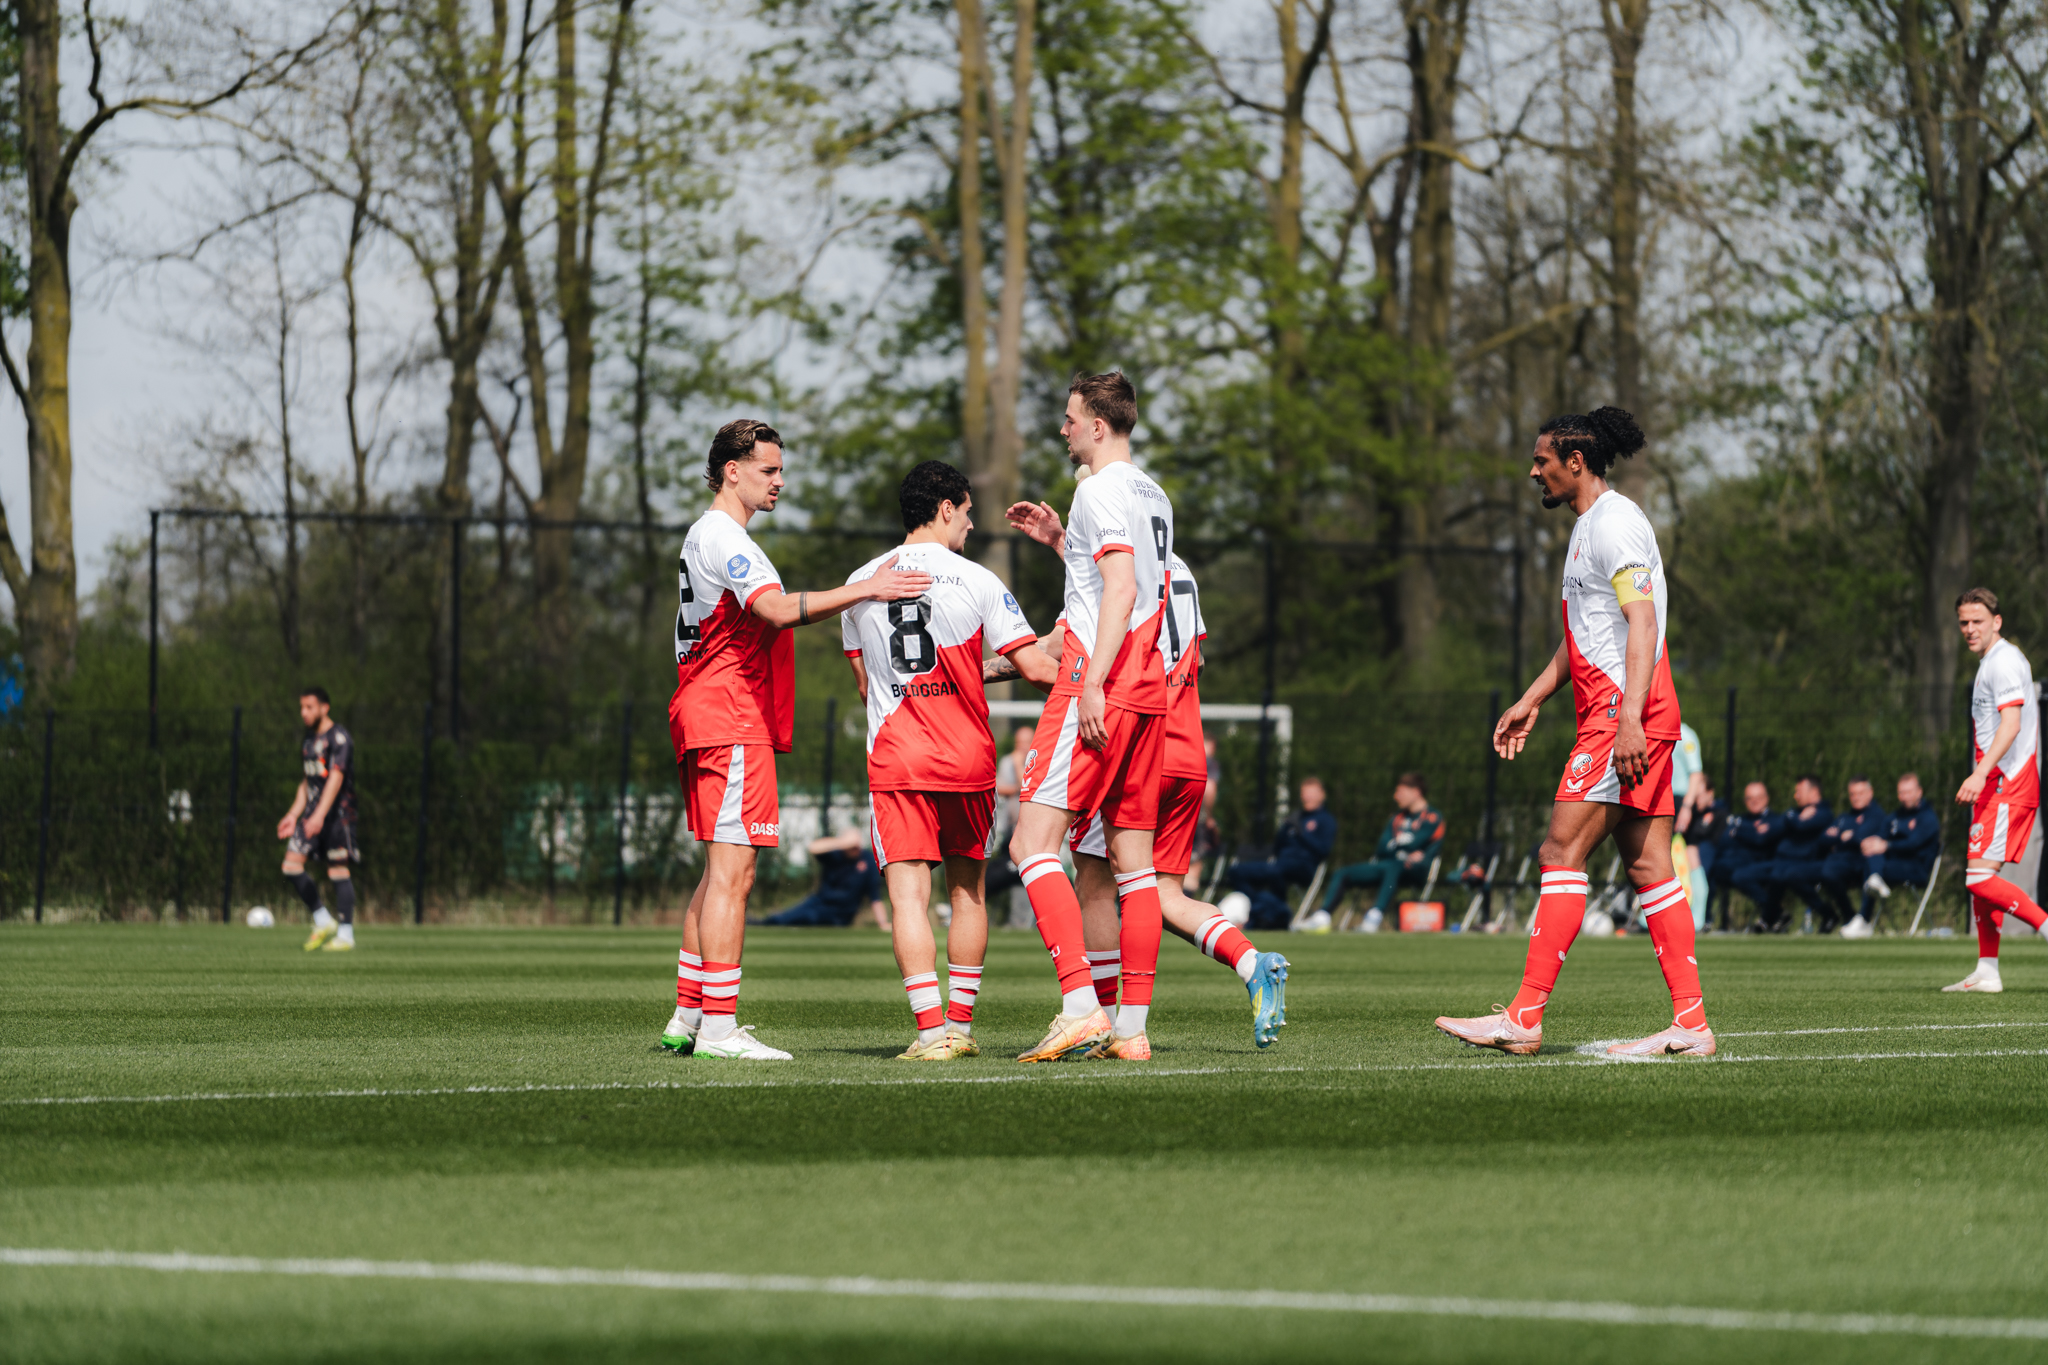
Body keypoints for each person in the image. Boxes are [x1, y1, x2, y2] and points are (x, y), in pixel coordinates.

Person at [1435, 407, 1712, 1058]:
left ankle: (1524, 1016)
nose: (1534, 472)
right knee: (1650, 865)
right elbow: (1585, 635)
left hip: (1623, 713)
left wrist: (1628, 721)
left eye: (1542, 461)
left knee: (1561, 850)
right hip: (1630, 711)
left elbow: (1640, 625)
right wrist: (1532, 698)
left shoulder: (1613, 526)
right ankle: (1692, 1023)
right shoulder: (1591, 526)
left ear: (1576, 462)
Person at [660, 420, 933, 1062]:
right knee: (735, 873)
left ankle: (688, 1015)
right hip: (729, 715)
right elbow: (777, 610)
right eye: (768, 470)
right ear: (732, 469)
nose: (779, 481)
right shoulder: (725, 536)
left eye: (780, 470)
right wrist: (868, 587)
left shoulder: (712, 534)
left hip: (714, 712)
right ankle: (721, 1031)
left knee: (718, 872)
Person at [996, 541, 1291, 1050]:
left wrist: (975, 671)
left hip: (1132, 736)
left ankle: (1108, 1020)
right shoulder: (1181, 571)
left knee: (1094, 882)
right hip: (1187, 751)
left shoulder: (1114, 575)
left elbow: (1063, 645)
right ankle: (1249, 962)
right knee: (1160, 894)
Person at [843, 460, 1057, 1059]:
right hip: (968, 760)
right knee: (969, 893)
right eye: (966, 512)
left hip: (898, 760)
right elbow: (1038, 668)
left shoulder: (861, 581)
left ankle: (931, 1033)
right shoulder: (979, 580)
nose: (969, 524)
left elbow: (869, 685)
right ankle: (959, 1027)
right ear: (944, 508)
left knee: (908, 898)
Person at [1000, 372, 1176, 1064]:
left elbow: (1122, 587)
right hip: (1151, 685)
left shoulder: (1096, 487)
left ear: (1098, 425)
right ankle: (1130, 1028)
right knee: (1134, 866)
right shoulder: (1150, 491)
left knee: (1030, 845)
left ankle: (1079, 1006)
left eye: (1070, 418)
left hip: (1101, 679)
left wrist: (1093, 683)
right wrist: (1061, 541)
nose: (1063, 429)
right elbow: (1117, 581)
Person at [1944, 589, 2048, 993]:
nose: (1969, 630)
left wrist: (1978, 774)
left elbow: (2011, 724)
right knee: (1979, 873)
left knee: (1977, 877)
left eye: (1977, 622)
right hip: (1994, 784)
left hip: (2007, 783)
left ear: (1997, 621)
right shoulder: (1992, 661)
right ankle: (1987, 969)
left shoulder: (2003, 662)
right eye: (1964, 623)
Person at [1309, 772, 1443, 933]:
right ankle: (1322, 916)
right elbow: (1382, 847)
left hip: (1415, 869)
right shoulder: (1396, 818)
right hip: (1386, 865)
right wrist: (1402, 847)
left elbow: (1417, 842)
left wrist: (1397, 845)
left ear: (1416, 792)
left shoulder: (1433, 818)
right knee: (1342, 873)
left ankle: (1374, 917)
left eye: (1400, 792)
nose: (1396, 797)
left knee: (1393, 866)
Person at [280, 686, 360, 953]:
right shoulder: (308, 742)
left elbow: (336, 779)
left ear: (325, 708)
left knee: (338, 872)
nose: (304, 712)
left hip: (337, 817)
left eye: (309, 707)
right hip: (312, 814)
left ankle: (346, 935)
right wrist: (293, 814)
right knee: (291, 865)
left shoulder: (339, 738)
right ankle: (323, 919)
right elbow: (307, 783)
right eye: (302, 707)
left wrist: (319, 816)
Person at [1226, 778, 1337, 930]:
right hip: (1279, 864)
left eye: (1312, 793)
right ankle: (1269, 906)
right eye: (1304, 793)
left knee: (1275, 871)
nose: (1307, 797)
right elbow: (1278, 847)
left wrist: (1302, 833)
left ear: (1322, 795)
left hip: (1304, 866)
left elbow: (1323, 850)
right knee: (1236, 871)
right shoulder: (1296, 818)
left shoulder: (1326, 820)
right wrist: (1286, 827)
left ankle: (1273, 910)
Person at [1846, 773, 1940, 935]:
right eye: (1901, 793)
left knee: (1873, 864)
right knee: (1872, 854)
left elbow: (1913, 844)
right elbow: (1880, 838)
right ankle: (1866, 911)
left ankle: (1864, 920)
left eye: (1909, 792)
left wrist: (1886, 845)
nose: (1904, 797)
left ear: (1919, 792)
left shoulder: (1928, 817)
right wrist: (1871, 843)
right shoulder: (1895, 817)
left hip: (1916, 869)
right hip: (1892, 865)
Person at [755, 820, 884, 927]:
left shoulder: (867, 861)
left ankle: (765, 923)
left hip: (839, 914)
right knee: (788, 916)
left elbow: (875, 898)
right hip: (818, 901)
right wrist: (843, 842)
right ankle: (763, 923)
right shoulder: (836, 855)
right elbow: (813, 848)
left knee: (808, 917)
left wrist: (883, 923)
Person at [1753, 776, 1832, 932]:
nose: (1796, 796)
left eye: (1799, 791)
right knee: (1742, 875)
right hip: (1780, 861)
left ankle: (1826, 913)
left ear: (1814, 792)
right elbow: (1771, 830)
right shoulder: (1796, 812)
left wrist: (1791, 819)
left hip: (1803, 862)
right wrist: (1794, 818)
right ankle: (1778, 914)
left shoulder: (1823, 813)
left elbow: (1799, 826)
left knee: (1783, 874)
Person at [1818, 776, 1888, 933]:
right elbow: (1823, 838)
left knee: (1870, 874)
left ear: (1870, 793)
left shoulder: (1877, 815)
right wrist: (1843, 836)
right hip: (1844, 863)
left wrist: (1840, 838)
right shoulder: (1845, 817)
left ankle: (1864, 919)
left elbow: (1861, 837)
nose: (1856, 798)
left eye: (1860, 793)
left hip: (1865, 864)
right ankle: (1850, 917)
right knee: (1827, 871)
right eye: (1852, 794)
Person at [1719, 782, 1782, 928]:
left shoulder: (1775, 820)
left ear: (1766, 798)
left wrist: (1739, 832)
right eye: (1749, 798)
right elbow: (1725, 840)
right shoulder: (1742, 819)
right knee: (1717, 868)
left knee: (1740, 876)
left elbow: (1760, 840)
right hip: (1740, 866)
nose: (1754, 801)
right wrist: (1750, 832)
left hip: (1766, 866)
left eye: (1758, 797)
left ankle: (1773, 911)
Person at [1670, 722, 1709, 928]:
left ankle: (1698, 917)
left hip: (1681, 798)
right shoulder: (1654, 728)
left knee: (1691, 855)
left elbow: (1696, 773)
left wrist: (1687, 806)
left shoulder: (1685, 734)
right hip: (1667, 797)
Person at [1686, 776, 1730, 926]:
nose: (1696, 800)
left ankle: (1703, 917)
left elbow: (1715, 839)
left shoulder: (1720, 812)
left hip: (1712, 856)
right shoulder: (1691, 813)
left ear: (1710, 793)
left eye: (1700, 795)